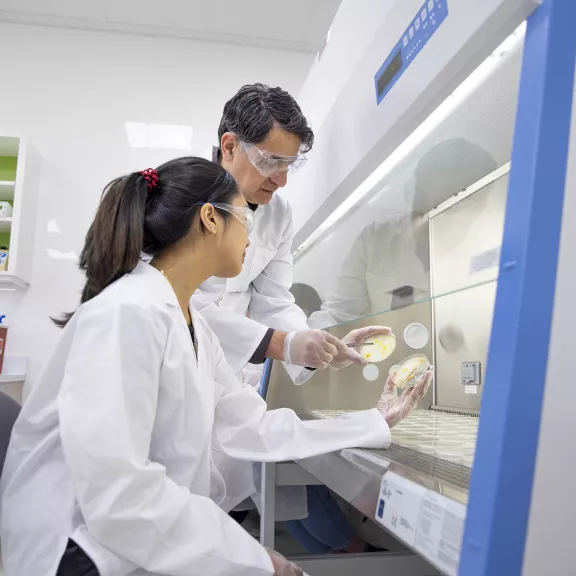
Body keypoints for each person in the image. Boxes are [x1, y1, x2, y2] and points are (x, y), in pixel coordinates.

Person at [0, 157, 432, 576]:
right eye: (245, 218)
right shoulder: (126, 312)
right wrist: (252, 560)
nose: (250, 237)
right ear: (210, 218)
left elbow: (252, 427)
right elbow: (119, 495)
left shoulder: (193, 326)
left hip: (129, 541)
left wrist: (373, 422)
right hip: (78, 552)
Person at [193, 83, 389, 389]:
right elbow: (188, 309)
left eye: (289, 165)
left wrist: (316, 347)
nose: (281, 180)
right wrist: (282, 344)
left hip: (225, 373)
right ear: (230, 147)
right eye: (270, 161)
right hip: (175, 364)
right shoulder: (179, 196)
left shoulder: (278, 213)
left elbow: (274, 301)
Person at [307, 139, 498, 329]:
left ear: (477, 209)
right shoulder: (376, 239)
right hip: (389, 356)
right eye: (421, 198)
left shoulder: (492, 251)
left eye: (441, 206)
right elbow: (338, 314)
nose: (423, 218)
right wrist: (309, 340)